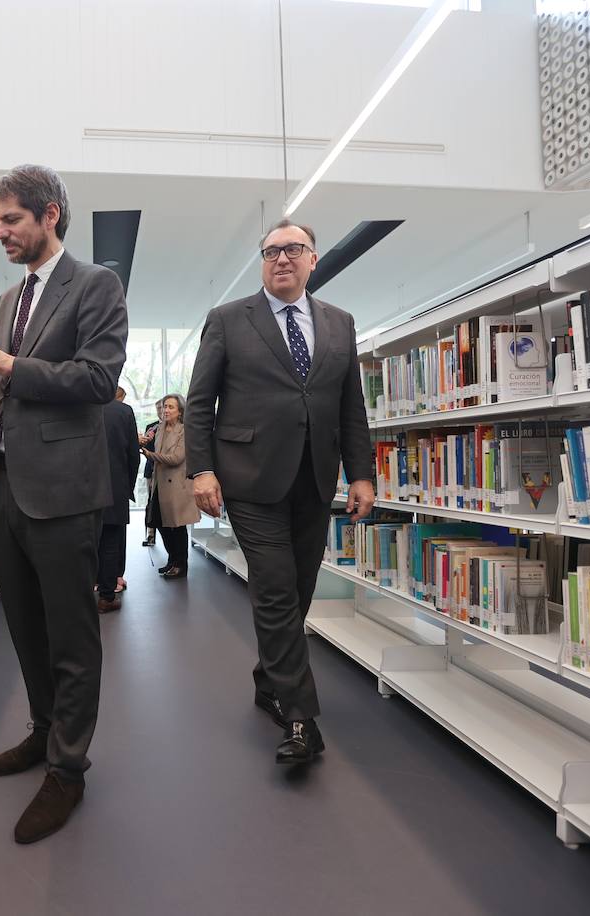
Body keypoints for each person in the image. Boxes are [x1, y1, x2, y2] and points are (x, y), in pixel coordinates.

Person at [0, 164, 128, 844]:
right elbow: (9, 390)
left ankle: (68, 771)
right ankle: (44, 732)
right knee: (25, 627)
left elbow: (96, 379)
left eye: (11, 220)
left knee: (73, 636)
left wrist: (5, 365)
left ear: (50, 215)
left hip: (65, 491)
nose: (1, 233)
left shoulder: (96, 285)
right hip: (7, 489)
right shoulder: (7, 301)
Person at [184, 219, 374, 767]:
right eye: (270, 251)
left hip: (315, 478)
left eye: (293, 249)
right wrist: (202, 471)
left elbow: (349, 406)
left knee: (299, 590)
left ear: (314, 259)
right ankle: (299, 717)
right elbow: (200, 403)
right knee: (273, 589)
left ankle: (270, 680)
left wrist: (360, 473)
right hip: (249, 478)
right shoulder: (227, 320)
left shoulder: (339, 323)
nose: (281, 258)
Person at [142, 394, 199, 578]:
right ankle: (172, 560)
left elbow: (176, 459)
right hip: (160, 484)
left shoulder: (185, 430)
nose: (165, 410)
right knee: (160, 523)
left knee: (177, 526)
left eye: (170, 407)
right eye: (165, 406)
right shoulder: (159, 429)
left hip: (177, 486)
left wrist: (150, 456)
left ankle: (181, 565)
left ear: (180, 411)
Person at [97, 386, 140, 612]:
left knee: (82, 543)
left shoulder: (77, 405)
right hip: (115, 487)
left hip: (79, 490)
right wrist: (128, 487)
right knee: (111, 542)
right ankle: (106, 597)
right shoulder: (123, 412)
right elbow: (133, 454)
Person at [139, 402, 162, 546]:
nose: (162, 410)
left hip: (169, 470)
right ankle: (150, 535)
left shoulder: (179, 428)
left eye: (164, 407)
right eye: (159, 408)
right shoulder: (151, 427)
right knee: (151, 502)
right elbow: (146, 448)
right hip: (151, 469)